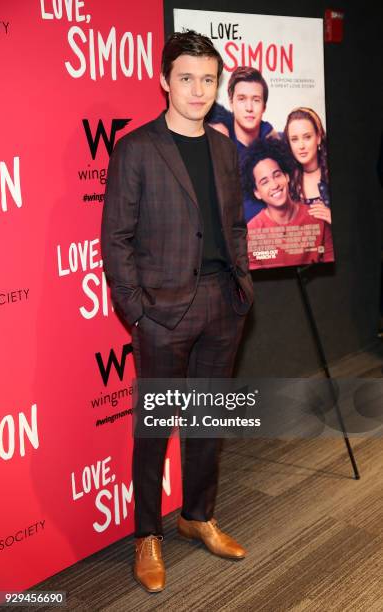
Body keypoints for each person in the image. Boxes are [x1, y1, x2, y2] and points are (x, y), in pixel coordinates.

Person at [101, 31, 254, 593]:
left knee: (209, 419)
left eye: (207, 79)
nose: (197, 89)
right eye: (186, 77)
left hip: (223, 302)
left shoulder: (222, 147)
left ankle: (197, 515)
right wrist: (137, 311)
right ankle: (148, 534)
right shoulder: (137, 148)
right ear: (165, 79)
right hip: (162, 312)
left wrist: (242, 283)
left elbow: (234, 224)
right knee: (154, 428)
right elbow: (116, 238)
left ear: (218, 85)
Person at [242, 138, 334, 268]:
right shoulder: (251, 232)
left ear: (287, 176)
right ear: (256, 192)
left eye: (277, 175)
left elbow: (331, 269)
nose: (274, 185)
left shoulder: (317, 218)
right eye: (264, 182)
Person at [208, 66, 278, 222]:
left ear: (264, 107)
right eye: (242, 99)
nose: (249, 108)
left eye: (256, 100)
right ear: (231, 103)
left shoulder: (272, 141)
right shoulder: (221, 139)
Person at [284, 107, 332, 225]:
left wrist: (334, 217)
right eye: (294, 139)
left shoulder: (335, 174)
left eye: (307, 137)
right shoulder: (286, 181)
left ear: (318, 138)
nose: (301, 146)